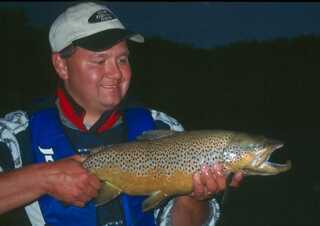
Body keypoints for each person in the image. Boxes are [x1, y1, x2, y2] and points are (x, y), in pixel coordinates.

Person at [0, 2, 243, 226]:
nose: (116, 73)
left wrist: (195, 197)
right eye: (100, 60)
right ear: (61, 65)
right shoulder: (17, 133)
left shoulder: (164, 129)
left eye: (122, 59)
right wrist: (42, 178)